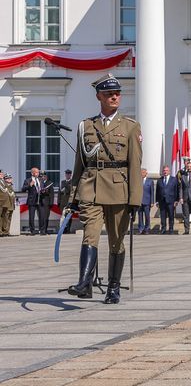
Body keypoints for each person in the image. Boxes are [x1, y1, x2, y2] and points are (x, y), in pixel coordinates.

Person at [66, 74, 142, 304]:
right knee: (90, 236)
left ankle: (113, 288)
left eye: (117, 93)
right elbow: (79, 163)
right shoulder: (86, 126)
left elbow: (135, 165)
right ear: (99, 96)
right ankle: (83, 283)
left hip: (119, 190)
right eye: (109, 94)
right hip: (91, 188)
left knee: (116, 241)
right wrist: (73, 197)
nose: (114, 97)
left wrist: (135, 199)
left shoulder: (130, 126)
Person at [23, 166, 52, 235]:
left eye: (38, 172)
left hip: (40, 200)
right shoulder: (27, 180)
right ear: (32, 173)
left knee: (42, 216)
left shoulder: (40, 180)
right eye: (37, 172)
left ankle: (42, 231)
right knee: (31, 217)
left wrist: (44, 191)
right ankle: (32, 231)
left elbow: (43, 188)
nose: (38, 173)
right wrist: (30, 185)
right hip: (32, 201)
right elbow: (23, 189)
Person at [156, 165, 178, 234]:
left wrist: (176, 200)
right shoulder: (159, 180)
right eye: (164, 171)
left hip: (171, 201)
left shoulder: (174, 179)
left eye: (166, 170)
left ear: (169, 171)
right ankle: (163, 228)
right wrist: (157, 201)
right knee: (163, 216)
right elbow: (157, 191)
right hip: (162, 201)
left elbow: (176, 190)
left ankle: (171, 229)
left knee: (171, 215)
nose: (165, 172)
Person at [137, 169, 153, 234]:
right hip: (139, 201)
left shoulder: (150, 181)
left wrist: (152, 202)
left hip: (147, 201)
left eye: (143, 172)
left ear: (146, 173)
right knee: (140, 216)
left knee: (147, 216)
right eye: (141, 172)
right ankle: (141, 228)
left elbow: (152, 192)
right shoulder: (138, 181)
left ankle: (147, 228)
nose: (142, 174)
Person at [0, 172, 15, 236]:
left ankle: (6, 231)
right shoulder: (4, 184)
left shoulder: (9, 185)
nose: (9, 179)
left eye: (10, 178)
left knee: (8, 218)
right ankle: (2, 231)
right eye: (7, 178)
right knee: (3, 218)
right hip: (3, 203)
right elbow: (6, 192)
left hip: (10, 203)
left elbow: (12, 194)